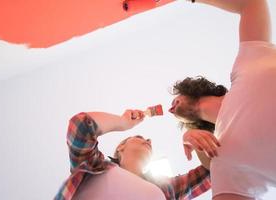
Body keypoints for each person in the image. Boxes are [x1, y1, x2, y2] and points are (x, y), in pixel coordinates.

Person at [169, 0, 276, 200]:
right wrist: (191, 137)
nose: (172, 107)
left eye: (176, 98)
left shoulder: (249, 62)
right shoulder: (222, 160)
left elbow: (252, 3)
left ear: (191, 89)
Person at [55, 109, 214, 200]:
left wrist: (193, 136)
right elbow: (81, 125)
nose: (149, 140)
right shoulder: (94, 166)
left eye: (148, 140)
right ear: (121, 147)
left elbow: (215, 171)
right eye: (140, 138)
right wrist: (122, 122)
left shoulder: (167, 188)